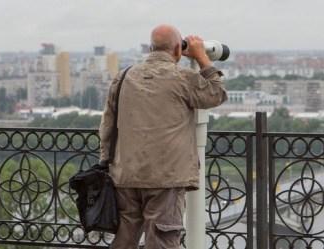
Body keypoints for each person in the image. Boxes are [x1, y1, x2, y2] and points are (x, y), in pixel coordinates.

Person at [98, 24, 228, 249]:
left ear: (150, 48)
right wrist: (202, 58)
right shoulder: (182, 77)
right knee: (162, 242)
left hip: (125, 174)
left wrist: (106, 165)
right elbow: (216, 94)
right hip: (165, 177)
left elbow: (107, 126)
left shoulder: (123, 77)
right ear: (178, 49)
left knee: (124, 240)